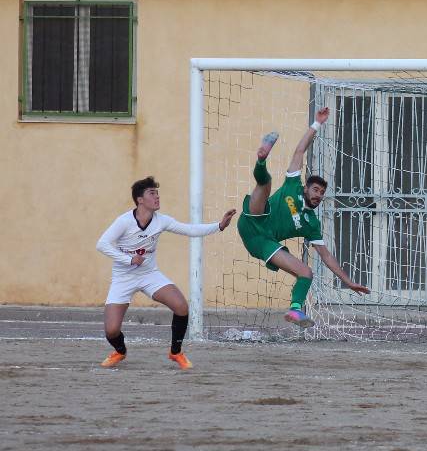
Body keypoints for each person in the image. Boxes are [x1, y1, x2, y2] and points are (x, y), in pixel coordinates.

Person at [237, 106, 370, 329]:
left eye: (321, 193)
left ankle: (295, 309)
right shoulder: (293, 186)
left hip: (262, 242)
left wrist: (348, 282)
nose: (318, 195)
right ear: (306, 188)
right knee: (265, 183)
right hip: (254, 218)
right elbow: (299, 152)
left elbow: (326, 256)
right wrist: (317, 124)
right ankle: (262, 159)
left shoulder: (311, 224)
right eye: (315, 189)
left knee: (306, 272)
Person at [96, 176, 236, 370]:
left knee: (181, 307)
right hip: (123, 278)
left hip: (149, 275)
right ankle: (120, 350)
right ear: (140, 200)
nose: (157, 197)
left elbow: (190, 229)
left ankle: (175, 352)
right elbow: (102, 244)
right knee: (111, 331)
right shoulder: (124, 221)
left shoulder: (161, 221)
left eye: (157, 193)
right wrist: (128, 259)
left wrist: (219, 226)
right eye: (152, 193)